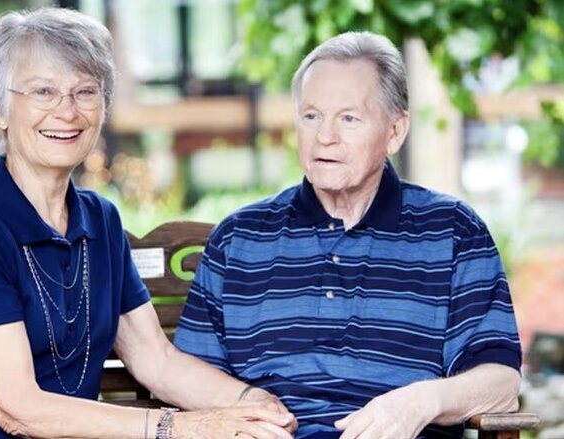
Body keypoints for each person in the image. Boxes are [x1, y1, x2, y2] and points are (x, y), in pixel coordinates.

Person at [0, 7, 296, 439]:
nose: (67, 112)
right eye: (43, 92)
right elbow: (19, 409)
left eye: (85, 92)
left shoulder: (100, 220)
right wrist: (179, 428)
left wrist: (250, 403)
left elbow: (154, 360)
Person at [174, 31, 522, 439]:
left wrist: (419, 402)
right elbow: (190, 379)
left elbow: (502, 382)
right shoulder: (240, 239)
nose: (325, 137)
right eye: (311, 116)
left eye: (349, 118)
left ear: (395, 131)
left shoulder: (453, 232)